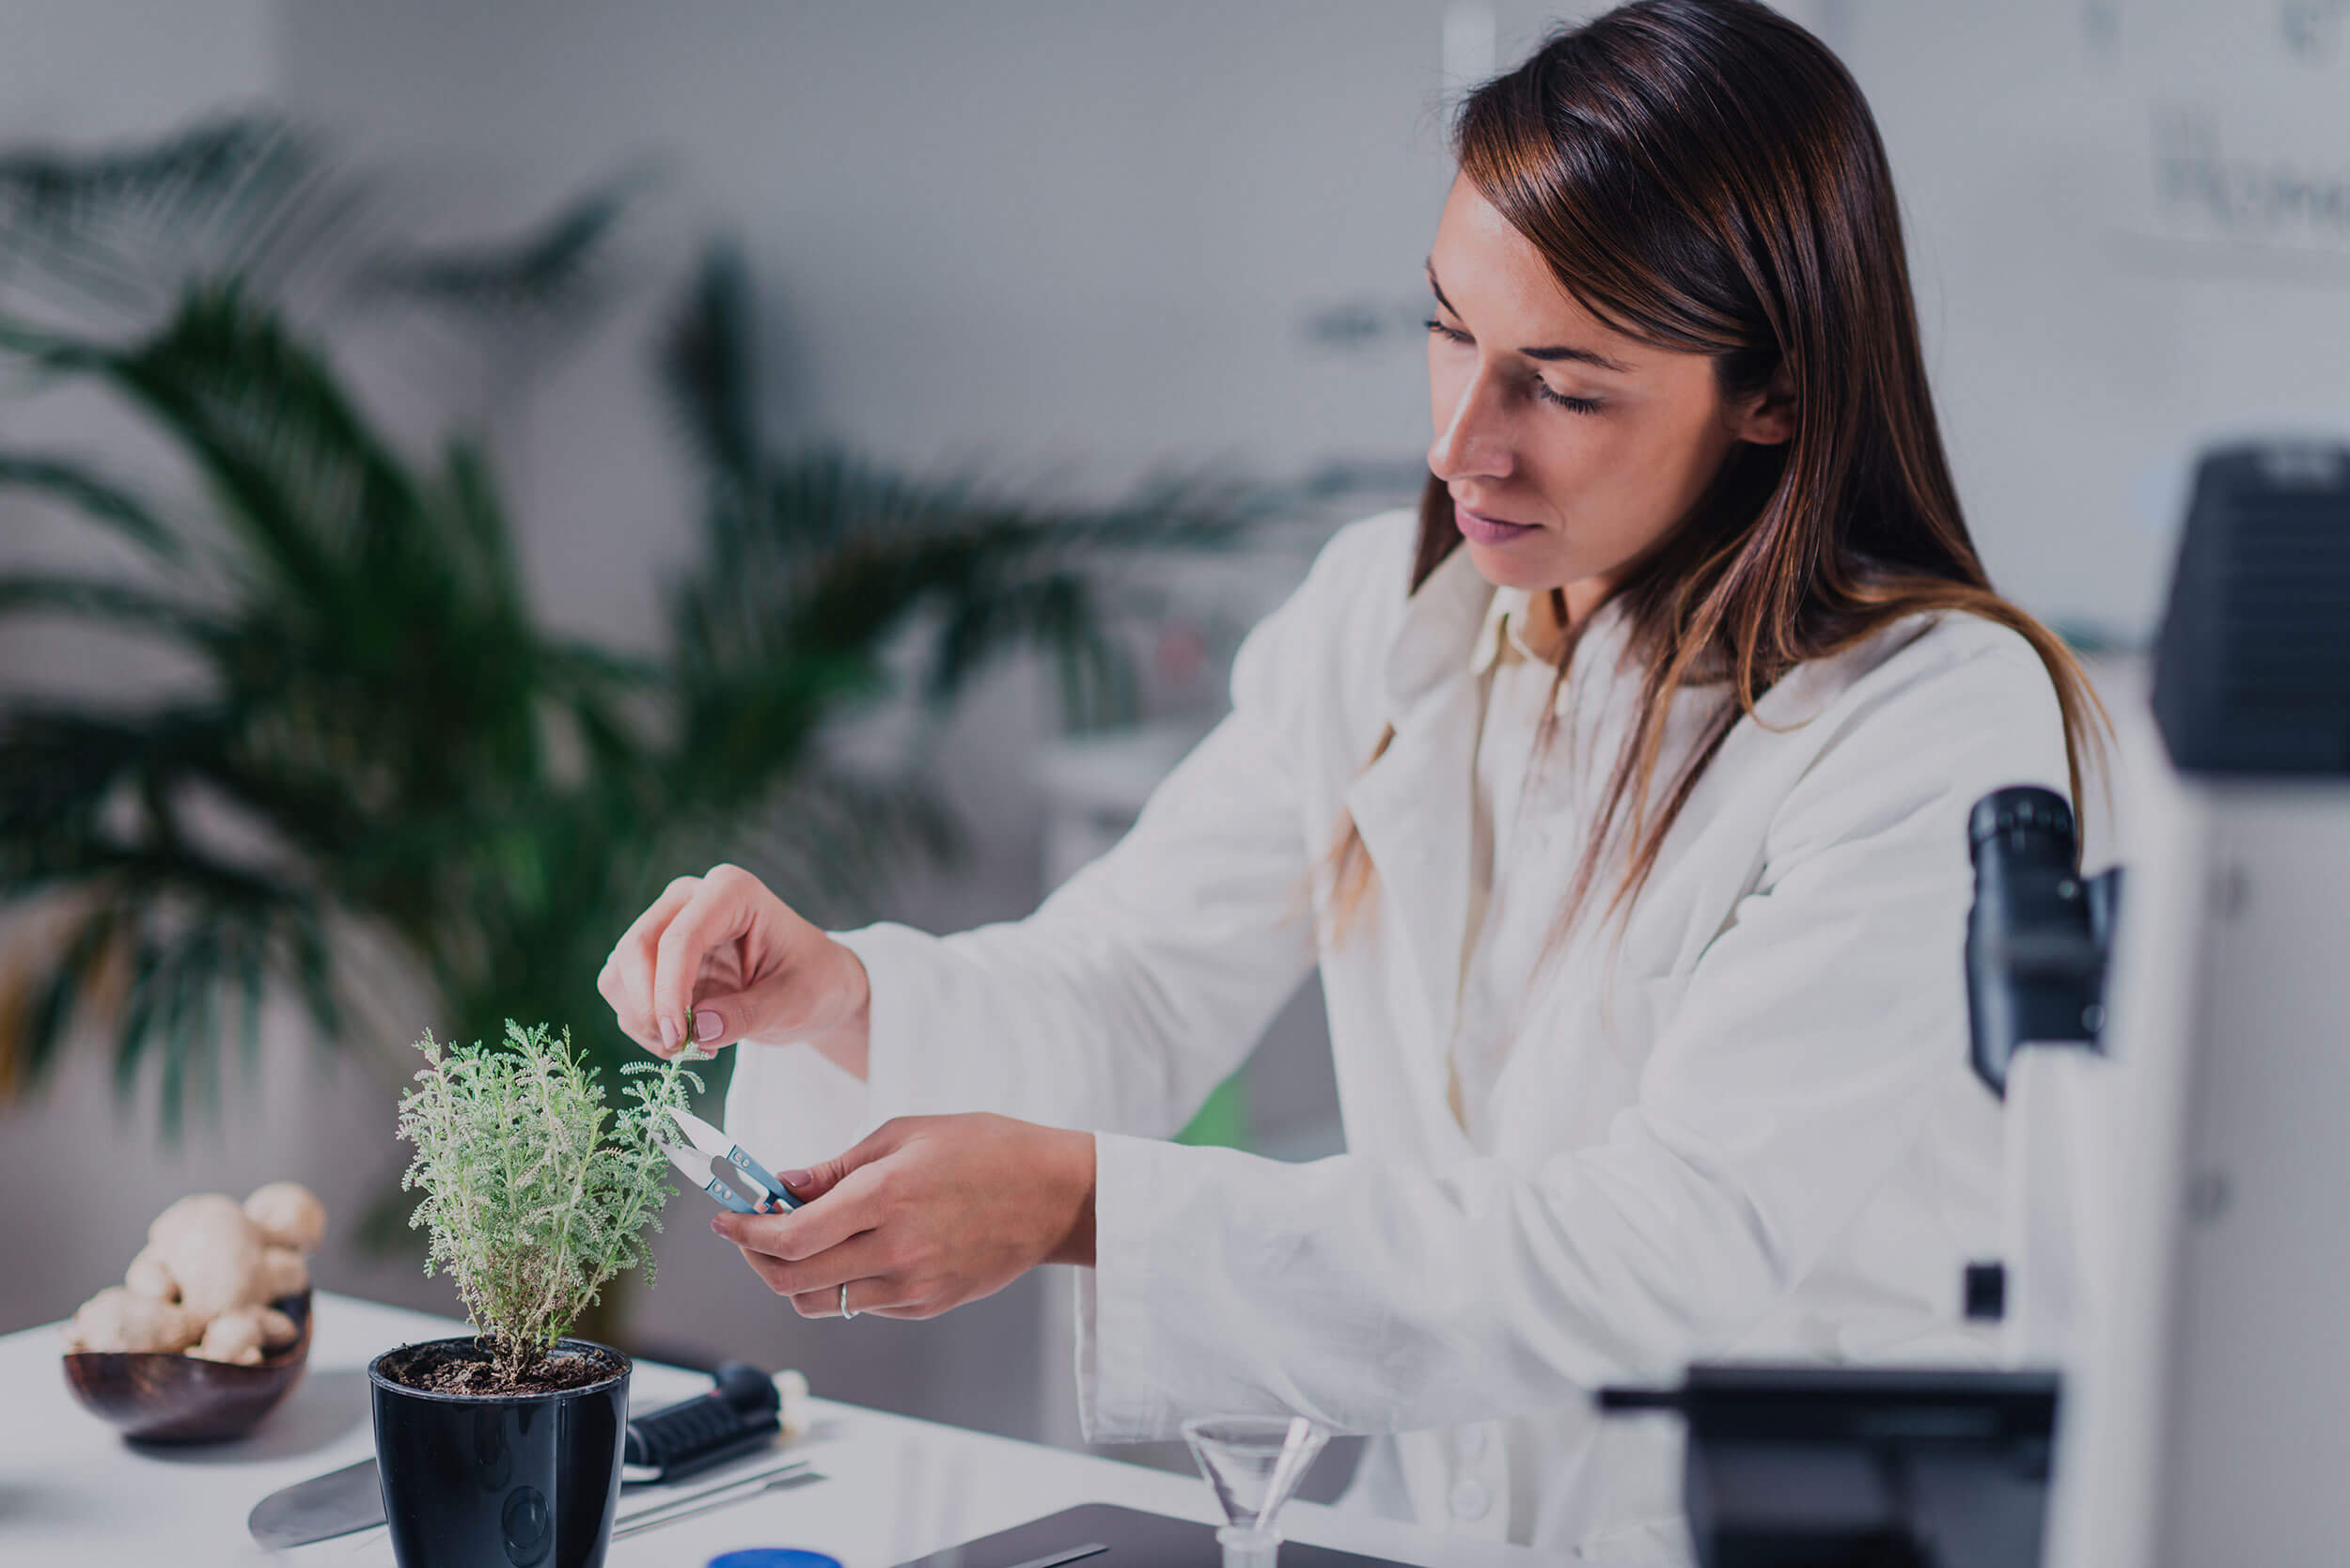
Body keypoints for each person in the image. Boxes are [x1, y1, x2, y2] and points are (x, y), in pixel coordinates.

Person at [597, 0, 2104, 1557]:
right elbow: (1132, 981)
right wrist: (844, 1000)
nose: (1462, 445)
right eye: (1450, 329)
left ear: (1773, 391)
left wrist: (1085, 1205)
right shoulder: (1382, 617)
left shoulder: (1932, 719)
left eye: (1564, 386)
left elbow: (1665, 1243)